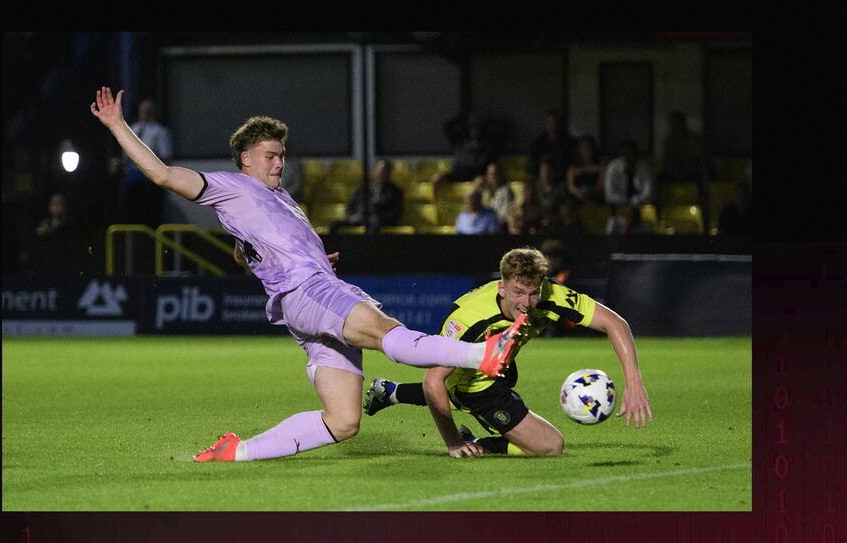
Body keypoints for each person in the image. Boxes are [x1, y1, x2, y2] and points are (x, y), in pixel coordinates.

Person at [90, 87, 531, 462]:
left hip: (308, 295)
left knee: (344, 422)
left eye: (282, 155)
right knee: (385, 331)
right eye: (269, 156)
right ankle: (481, 356)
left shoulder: (280, 198)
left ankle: (238, 451)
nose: (279, 163)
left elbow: (249, 252)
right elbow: (164, 175)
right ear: (245, 158)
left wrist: (317, 259)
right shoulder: (231, 186)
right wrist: (117, 126)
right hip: (308, 292)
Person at [363, 246, 653, 458]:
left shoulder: (552, 294)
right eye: (518, 293)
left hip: (500, 365)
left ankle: (391, 391)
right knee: (550, 446)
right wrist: (453, 443)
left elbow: (615, 323)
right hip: (475, 387)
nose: (527, 302)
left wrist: (635, 382)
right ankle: (474, 440)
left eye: (534, 292)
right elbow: (433, 381)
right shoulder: (469, 318)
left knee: (487, 375)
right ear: (501, 287)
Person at [117, 97, 174, 227]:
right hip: (132, 180)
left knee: (151, 217)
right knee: (131, 216)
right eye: (143, 109)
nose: (146, 112)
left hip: (151, 181)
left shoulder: (160, 131)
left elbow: (166, 157)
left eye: (149, 109)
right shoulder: (132, 129)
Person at [330, 158, 403, 234]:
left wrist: (377, 217)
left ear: (388, 174)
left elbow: (395, 213)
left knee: (374, 228)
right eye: (379, 171)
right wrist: (351, 215)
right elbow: (351, 205)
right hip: (360, 219)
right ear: (373, 172)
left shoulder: (394, 191)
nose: (380, 174)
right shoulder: (363, 188)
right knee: (335, 226)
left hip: (379, 221)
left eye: (384, 171)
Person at [431, 115, 497, 185]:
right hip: (458, 173)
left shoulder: (486, 143)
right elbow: (447, 126)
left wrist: (487, 119)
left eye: (477, 127)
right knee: (437, 178)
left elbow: (505, 127)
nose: (474, 130)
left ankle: (473, 195)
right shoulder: (459, 141)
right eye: (472, 127)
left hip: (476, 174)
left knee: (480, 182)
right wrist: (463, 117)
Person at [526, 109, 576, 185]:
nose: (552, 125)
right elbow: (532, 163)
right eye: (549, 122)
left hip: (564, 178)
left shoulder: (569, 142)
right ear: (545, 123)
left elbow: (572, 161)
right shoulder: (539, 143)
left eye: (554, 122)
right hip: (543, 178)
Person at [603, 139, 654, 209]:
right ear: (620, 156)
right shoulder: (612, 168)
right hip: (619, 206)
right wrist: (626, 202)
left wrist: (635, 201)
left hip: (641, 205)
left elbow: (648, 192)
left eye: (631, 154)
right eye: (625, 154)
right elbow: (610, 195)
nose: (628, 157)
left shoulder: (644, 167)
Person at [657, 110, 705, 184]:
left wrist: (687, 171)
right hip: (675, 172)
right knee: (660, 177)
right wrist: (674, 172)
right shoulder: (669, 141)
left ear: (683, 124)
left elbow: (699, 159)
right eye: (672, 124)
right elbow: (666, 161)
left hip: (692, 172)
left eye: (677, 123)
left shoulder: (695, 139)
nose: (675, 127)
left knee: (704, 176)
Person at [474, 162, 514, 232]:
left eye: (495, 174)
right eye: (490, 174)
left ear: (500, 175)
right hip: (484, 228)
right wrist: (478, 189)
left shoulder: (506, 192)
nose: (492, 177)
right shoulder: (485, 192)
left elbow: (505, 215)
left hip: (501, 229)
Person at [565, 135, 605, 204]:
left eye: (589, 147)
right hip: (576, 199)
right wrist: (579, 193)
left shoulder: (601, 167)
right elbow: (570, 186)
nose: (586, 150)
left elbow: (601, 185)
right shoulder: (573, 169)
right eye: (583, 147)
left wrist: (591, 191)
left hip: (595, 198)